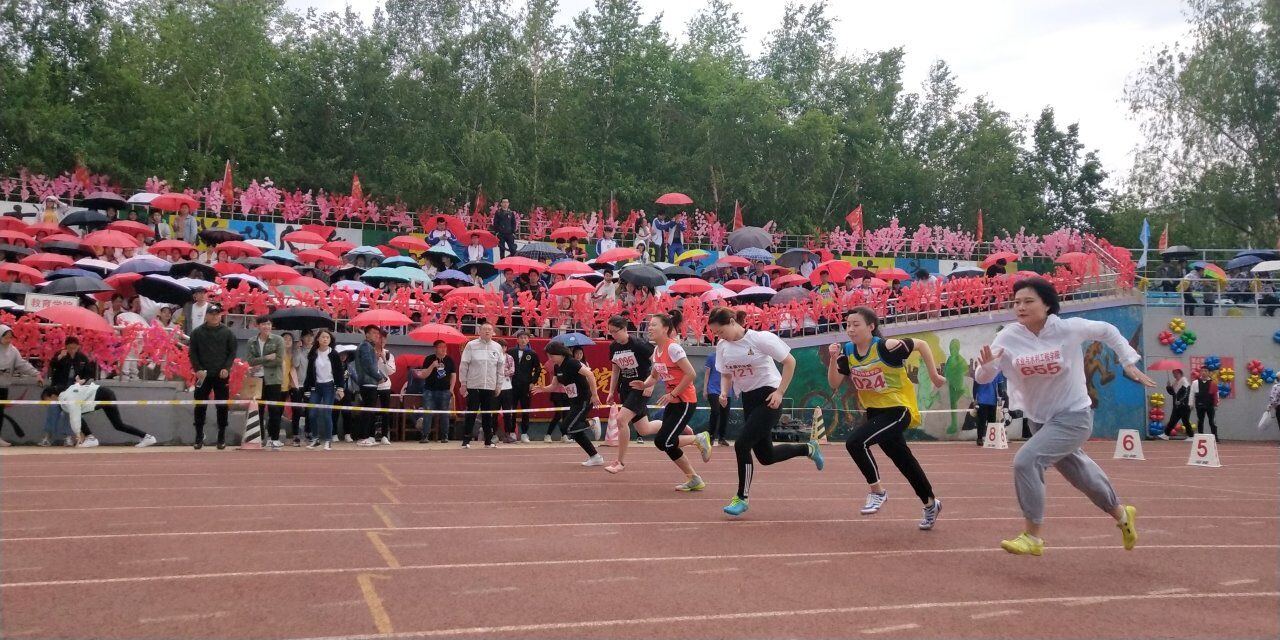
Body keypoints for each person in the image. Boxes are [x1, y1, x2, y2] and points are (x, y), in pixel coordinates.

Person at [975, 276, 1152, 556]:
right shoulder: (1008, 336)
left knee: (1026, 461)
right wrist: (985, 367)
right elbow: (984, 376)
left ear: (1047, 305)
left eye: (1028, 301)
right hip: (1040, 420)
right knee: (1081, 475)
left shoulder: (1068, 329)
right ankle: (1122, 514)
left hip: (1074, 415)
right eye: (1016, 302)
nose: (1020, 307)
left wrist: (1127, 361)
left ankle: (1032, 536)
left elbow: (1107, 331)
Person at [827, 307, 945, 530]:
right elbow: (834, 383)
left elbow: (921, 344)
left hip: (898, 409)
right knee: (904, 460)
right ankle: (931, 504)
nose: (850, 329)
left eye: (856, 324)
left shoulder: (886, 347)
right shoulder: (848, 352)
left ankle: (877, 492)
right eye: (848, 325)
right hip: (875, 412)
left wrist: (933, 375)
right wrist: (833, 359)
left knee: (855, 443)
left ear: (871, 326)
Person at [708, 308, 824, 517]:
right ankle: (809, 449)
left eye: (721, 331)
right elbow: (726, 374)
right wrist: (724, 392)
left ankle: (742, 498)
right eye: (716, 334)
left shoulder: (760, 339)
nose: (719, 336)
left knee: (742, 444)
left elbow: (790, 362)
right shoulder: (723, 346)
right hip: (748, 400)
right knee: (766, 456)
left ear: (732, 322)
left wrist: (780, 392)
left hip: (769, 397)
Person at [631, 311, 714, 490]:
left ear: (665, 328)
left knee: (665, 441)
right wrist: (644, 384)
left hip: (685, 401)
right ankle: (694, 479)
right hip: (673, 401)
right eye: (649, 325)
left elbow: (690, 374)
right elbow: (654, 376)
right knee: (663, 442)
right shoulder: (656, 351)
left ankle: (698, 438)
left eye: (654, 325)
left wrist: (673, 394)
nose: (649, 328)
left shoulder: (673, 348)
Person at [533, 340, 604, 466]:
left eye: (551, 356)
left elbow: (590, 375)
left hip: (584, 399)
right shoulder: (557, 367)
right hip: (574, 401)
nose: (550, 359)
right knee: (574, 430)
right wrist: (543, 389)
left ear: (560, 353)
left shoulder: (572, 362)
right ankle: (595, 456)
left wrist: (594, 395)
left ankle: (592, 422)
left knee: (567, 427)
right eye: (548, 356)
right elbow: (554, 385)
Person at [603, 315, 655, 473]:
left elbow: (658, 362)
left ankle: (620, 462)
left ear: (625, 329)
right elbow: (615, 370)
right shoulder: (613, 347)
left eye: (615, 331)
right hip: (625, 388)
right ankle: (676, 425)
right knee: (644, 429)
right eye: (610, 332)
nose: (613, 335)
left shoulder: (639, 344)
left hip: (640, 387)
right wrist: (611, 391)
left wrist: (650, 384)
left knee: (621, 420)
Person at [189, 303, 237, 449]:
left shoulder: (227, 333)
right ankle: (198, 436)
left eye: (217, 314)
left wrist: (226, 368)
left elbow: (232, 352)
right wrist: (198, 369)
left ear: (220, 316)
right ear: (206, 315)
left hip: (221, 376)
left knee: (222, 406)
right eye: (212, 314)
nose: (215, 317)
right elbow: (192, 353)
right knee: (200, 405)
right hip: (203, 375)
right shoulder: (197, 333)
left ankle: (221, 436)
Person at [54, 385, 157, 448]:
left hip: (103, 395)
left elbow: (75, 416)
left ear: (53, 395)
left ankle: (91, 438)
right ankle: (147, 437)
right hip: (105, 393)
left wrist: (77, 435)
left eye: (48, 399)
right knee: (118, 425)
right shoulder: (69, 391)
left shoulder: (67, 397)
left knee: (76, 414)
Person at [459, 322, 504, 448]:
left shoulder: (497, 347)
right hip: (473, 385)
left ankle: (488, 441)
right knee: (471, 413)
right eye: (484, 329)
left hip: (489, 386)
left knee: (487, 414)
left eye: (489, 329)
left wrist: (499, 385)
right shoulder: (471, 345)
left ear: (493, 332)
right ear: (480, 331)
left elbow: (500, 368)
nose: (487, 331)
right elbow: (464, 365)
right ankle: (466, 440)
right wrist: (463, 383)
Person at [246, 315, 286, 449]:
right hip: (257, 379)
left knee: (274, 409)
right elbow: (250, 361)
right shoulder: (251, 341)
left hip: (273, 379)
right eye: (263, 324)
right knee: (258, 410)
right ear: (258, 326)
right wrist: (267, 357)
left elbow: (279, 360)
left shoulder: (278, 340)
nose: (266, 327)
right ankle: (259, 438)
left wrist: (260, 363)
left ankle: (274, 438)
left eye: (268, 324)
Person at [0, 324, 44, 445]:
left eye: (10, 337)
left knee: (0, 413)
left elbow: (22, 364)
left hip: (3, 386)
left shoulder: (13, 350)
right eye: (6, 337)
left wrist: (36, 374)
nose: (8, 340)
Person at [302, 329, 345, 450]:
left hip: (329, 387)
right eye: (323, 337)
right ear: (318, 339)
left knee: (327, 414)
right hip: (316, 387)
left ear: (330, 340)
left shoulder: (334, 354)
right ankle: (315, 439)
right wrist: (307, 388)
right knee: (312, 414)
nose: (325, 339)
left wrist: (340, 388)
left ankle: (328, 440)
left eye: (327, 337)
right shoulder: (313, 353)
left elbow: (339, 372)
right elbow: (309, 373)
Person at [353, 326, 390, 446]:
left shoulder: (368, 347)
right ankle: (364, 437)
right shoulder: (365, 346)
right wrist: (379, 377)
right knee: (368, 410)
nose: (376, 335)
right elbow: (368, 366)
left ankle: (366, 436)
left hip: (370, 382)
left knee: (369, 410)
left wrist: (381, 376)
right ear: (367, 334)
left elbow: (372, 366)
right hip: (368, 382)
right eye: (373, 333)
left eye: (377, 333)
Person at [416, 340, 456, 443]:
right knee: (427, 412)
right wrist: (432, 366)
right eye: (441, 347)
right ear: (435, 348)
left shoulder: (449, 360)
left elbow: (453, 375)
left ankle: (444, 436)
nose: (443, 349)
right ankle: (425, 435)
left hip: (444, 390)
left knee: (444, 414)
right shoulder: (429, 359)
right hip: (430, 390)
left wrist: (451, 390)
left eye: (445, 347)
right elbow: (423, 375)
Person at [508, 331, 541, 443]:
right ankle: (512, 432)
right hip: (512, 385)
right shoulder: (511, 351)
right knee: (512, 409)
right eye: (521, 338)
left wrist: (533, 382)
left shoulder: (532, 353)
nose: (523, 340)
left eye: (525, 338)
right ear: (517, 340)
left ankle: (524, 433)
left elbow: (538, 369)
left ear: (528, 340)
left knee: (525, 410)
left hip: (526, 386)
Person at [703, 342, 731, 446]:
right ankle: (711, 437)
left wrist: (735, 390)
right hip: (713, 389)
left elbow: (733, 375)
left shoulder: (730, 358)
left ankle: (722, 438)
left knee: (725, 414)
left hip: (727, 390)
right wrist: (705, 390)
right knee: (715, 411)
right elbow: (707, 374)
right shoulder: (711, 357)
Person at [971, 367, 1008, 447]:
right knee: (982, 421)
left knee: (990, 422)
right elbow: (975, 386)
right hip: (982, 400)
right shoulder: (980, 370)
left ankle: (989, 439)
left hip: (992, 400)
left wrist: (1000, 399)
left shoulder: (997, 371)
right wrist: (975, 399)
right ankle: (980, 438)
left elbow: (1000, 387)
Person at [1161, 368, 1193, 440]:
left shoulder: (1184, 382)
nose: (1174, 375)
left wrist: (1180, 401)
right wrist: (1168, 387)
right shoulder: (1175, 382)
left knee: (1185, 421)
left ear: (1180, 373)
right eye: (1173, 373)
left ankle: (1191, 436)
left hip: (1184, 405)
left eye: (1175, 373)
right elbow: (1172, 393)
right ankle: (1166, 434)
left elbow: (1186, 393)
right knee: (1172, 420)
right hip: (1176, 405)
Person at [1190, 368, 1220, 440]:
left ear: (1209, 373)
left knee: (1212, 421)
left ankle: (1215, 437)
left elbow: (1216, 394)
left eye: (1206, 371)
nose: (1204, 372)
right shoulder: (1195, 382)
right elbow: (1191, 393)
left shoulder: (1213, 383)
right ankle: (1200, 437)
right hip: (1199, 404)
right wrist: (1190, 404)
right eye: (1202, 371)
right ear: (1200, 372)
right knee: (1200, 421)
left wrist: (1216, 404)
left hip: (1210, 405)